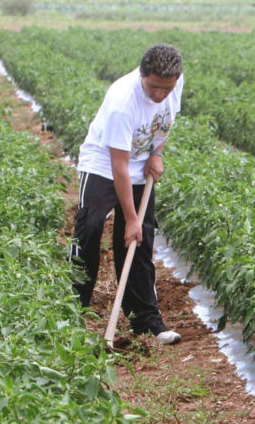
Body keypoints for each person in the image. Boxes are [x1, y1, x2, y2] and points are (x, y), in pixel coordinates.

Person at [70, 44, 184, 345]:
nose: (160, 95)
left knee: (139, 242)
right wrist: (130, 217)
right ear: (141, 74)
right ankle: (70, 314)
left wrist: (156, 154)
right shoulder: (123, 102)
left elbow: (162, 125)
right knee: (90, 230)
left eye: (166, 89)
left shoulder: (174, 83)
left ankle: (147, 322)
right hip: (104, 166)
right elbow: (118, 166)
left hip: (139, 164)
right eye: (154, 87)